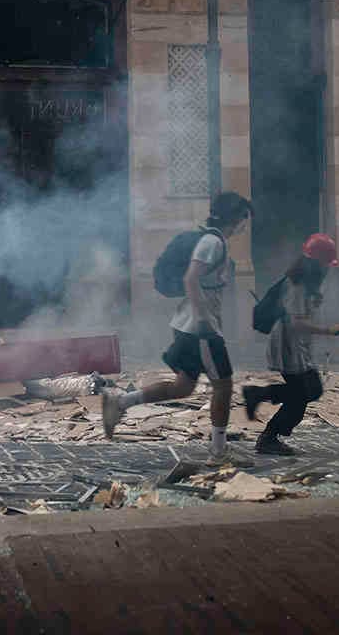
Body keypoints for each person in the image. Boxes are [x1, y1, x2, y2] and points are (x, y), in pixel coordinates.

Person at [102, 191, 254, 466]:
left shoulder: (214, 241)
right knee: (223, 385)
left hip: (189, 325)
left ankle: (120, 403)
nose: (246, 224)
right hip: (200, 329)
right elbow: (190, 279)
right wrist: (205, 320)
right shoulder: (212, 243)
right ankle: (219, 452)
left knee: (182, 387)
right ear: (236, 218)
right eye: (245, 217)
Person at [242, 233, 339, 456]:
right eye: (325, 263)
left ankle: (259, 397)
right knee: (303, 394)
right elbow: (297, 323)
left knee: (309, 391)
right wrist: (330, 330)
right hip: (288, 346)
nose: (327, 269)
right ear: (317, 262)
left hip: (297, 346)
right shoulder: (298, 284)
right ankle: (267, 435)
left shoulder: (305, 283)